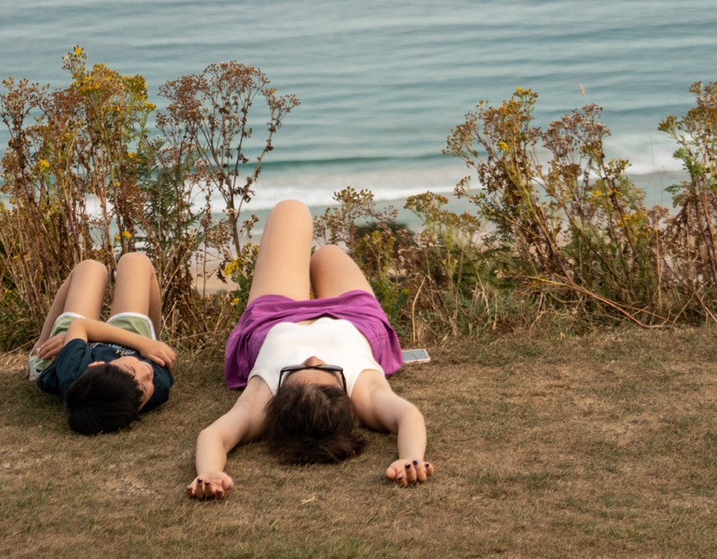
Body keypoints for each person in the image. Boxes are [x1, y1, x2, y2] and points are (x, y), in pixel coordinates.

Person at [188, 199, 432, 499]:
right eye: (327, 370)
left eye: (298, 370)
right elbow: (407, 416)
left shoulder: (260, 401)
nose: (313, 358)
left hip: (276, 317)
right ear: (346, 399)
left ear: (278, 401)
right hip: (353, 317)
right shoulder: (365, 394)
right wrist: (410, 457)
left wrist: (209, 471)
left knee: (291, 211)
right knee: (327, 255)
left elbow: (213, 435)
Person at [29, 252, 177, 434]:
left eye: (132, 371)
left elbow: (80, 326)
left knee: (90, 268)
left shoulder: (75, 371)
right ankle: (155, 340)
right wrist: (148, 345)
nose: (146, 372)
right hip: (128, 348)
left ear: (96, 366)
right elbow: (153, 364)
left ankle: (37, 349)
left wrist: (73, 343)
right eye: (146, 386)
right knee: (137, 261)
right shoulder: (158, 387)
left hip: (58, 352)